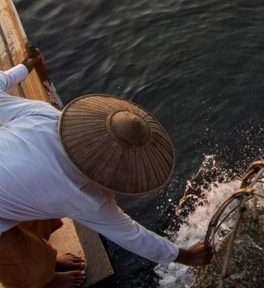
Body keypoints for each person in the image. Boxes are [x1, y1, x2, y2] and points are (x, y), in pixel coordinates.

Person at [0, 52, 212, 288]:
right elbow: (134, 236)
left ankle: (43, 257)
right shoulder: (83, 197)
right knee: (20, 261)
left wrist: (24, 67)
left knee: (37, 203)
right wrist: (185, 256)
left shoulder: (45, 115)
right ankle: (41, 280)